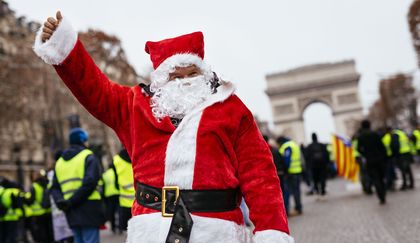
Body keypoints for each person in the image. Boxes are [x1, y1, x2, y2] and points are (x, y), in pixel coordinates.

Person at [34, 11, 293, 243]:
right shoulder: (134, 106)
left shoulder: (231, 110)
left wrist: (272, 231)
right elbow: (93, 89)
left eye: (191, 74)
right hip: (151, 230)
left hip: (216, 231)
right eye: (175, 76)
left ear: (203, 73)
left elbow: (260, 176)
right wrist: (66, 49)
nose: (184, 82)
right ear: (160, 80)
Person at [50, 128, 105, 243]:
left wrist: (61, 202)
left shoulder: (60, 162)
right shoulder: (88, 156)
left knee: (77, 239)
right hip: (89, 207)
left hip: (70, 211)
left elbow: (54, 187)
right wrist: (71, 201)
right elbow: (90, 183)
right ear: (82, 140)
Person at [357, 120, 388, 204]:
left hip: (369, 160)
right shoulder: (375, 134)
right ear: (369, 125)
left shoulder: (360, 137)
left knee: (375, 178)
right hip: (379, 159)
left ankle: (380, 196)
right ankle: (384, 193)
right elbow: (382, 146)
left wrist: (365, 154)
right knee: (382, 177)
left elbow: (358, 149)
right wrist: (385, 157)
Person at [277, 136, 303, 216]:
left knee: (288, 191)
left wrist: (285, 169)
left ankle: (293, 209)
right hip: (297, 171)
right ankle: (298, 208)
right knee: (297, 191)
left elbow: (287, 159)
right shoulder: (294, 144)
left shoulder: (287, 146)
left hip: (290, 172)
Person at [27, 170, 54, 243]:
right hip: (49, 211)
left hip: (38, 213)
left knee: (41, 231)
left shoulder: (34, 186)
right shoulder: (48, 184)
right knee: (49, 231)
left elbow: (31, 200)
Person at [112, 148, 134, 232]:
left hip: (124, 201)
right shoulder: (139, 154)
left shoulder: (116, 160)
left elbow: (116, 181)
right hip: (141, 199)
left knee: (127, 230)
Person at [305, 133, 330, 197]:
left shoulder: (309, 146)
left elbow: (307, 157)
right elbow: (327, 155)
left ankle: (317, 190)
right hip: (322, 165)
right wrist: (327, 163)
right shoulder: (322, 145)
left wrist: (308, 165)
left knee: (315, 178)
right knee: (323, 178)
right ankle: (323, 190)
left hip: (313, 166)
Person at [102, 163, 120, 234]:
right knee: (118, 210)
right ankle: (120, 226)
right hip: (116, 193)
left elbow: (103, 186)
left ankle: (113, 227)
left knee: (111, 212)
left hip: (108, 196)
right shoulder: (115, 173)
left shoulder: (105, 175)